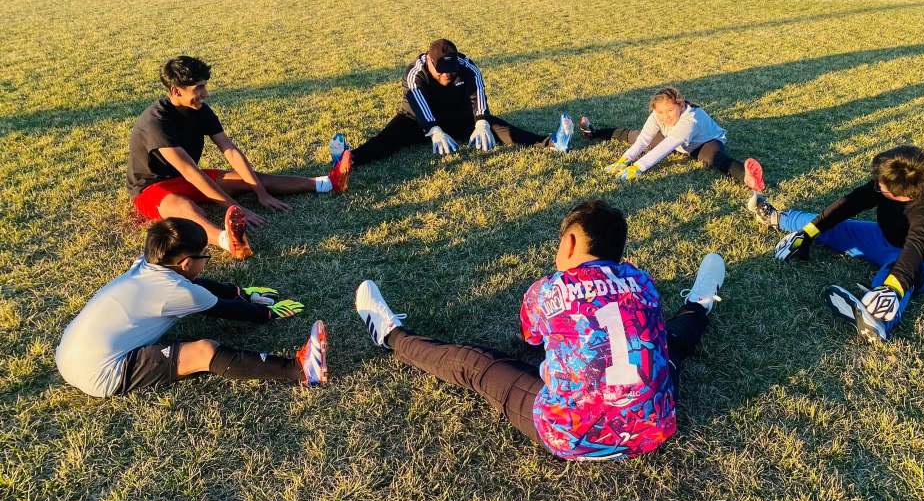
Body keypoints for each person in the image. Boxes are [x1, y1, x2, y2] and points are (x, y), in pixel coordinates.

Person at [354, 199, 726, 460]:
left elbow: (531, 338)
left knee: (474, 366)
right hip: (652, 427)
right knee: (668, 343)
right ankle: (700, 302)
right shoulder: (642, 283)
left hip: (572, 434)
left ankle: (390, 335)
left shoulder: (547, 289)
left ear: (570, 242)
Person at [55, 218, 327, 398]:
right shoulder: (178, 291)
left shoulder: (144, 265)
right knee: (203, 351)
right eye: (204, 257)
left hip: (69, 353)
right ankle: (299, 369)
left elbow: (203, 286)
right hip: (101, 374)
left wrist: (240, 292)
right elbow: (227, 309)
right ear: (186, 263)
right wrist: (266, 312)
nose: (206, 262)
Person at [127, 55, 352, 260]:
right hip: (151, 188)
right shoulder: (156, 123)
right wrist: (234, 207)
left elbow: (230, 150)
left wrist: (260, 192)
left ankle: (328, 183)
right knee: (185, 208)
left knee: (250, 178)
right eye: (199, 88)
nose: (206, 94)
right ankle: (229, 242)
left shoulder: (200, 110)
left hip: (185, 178)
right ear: (176, 91)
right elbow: (191, 173)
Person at [750, 145, 924, 343]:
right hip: (889, 237)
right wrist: (807, 233)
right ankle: (777, 217)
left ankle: (878, 321)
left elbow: (916, 250)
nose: (876, 186)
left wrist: (893, 288)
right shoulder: (892, 183)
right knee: (835, 226)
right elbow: (850, 203)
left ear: (901, 196)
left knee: (900, 270)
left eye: (880, 185)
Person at [348, 39, 573, 166]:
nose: (447, 75)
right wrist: (434, 130)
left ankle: (553, 143)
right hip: (416, 121)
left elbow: (478, 96)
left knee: (500, 129)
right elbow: (418, 104)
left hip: (458, 118)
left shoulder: (467, 66)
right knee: (388, 139)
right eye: (441, 71)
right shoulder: (415, 73)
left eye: (451, 70)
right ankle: (349, 159)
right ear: (429, 62)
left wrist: (482, 122)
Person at [580, 85, 765, 190]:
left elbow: (665, 148)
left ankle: (747, 177)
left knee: (713, 158)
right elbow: (643, 139)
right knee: (634, 136)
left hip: (704, 142)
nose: (666, 116)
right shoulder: (656, 116)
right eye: (661, 112)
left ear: (680, 105)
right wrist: (624, 160)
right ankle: (594, 133)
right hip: (675, 142)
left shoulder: (689, 121)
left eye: (670, 110)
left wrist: (636, 168)